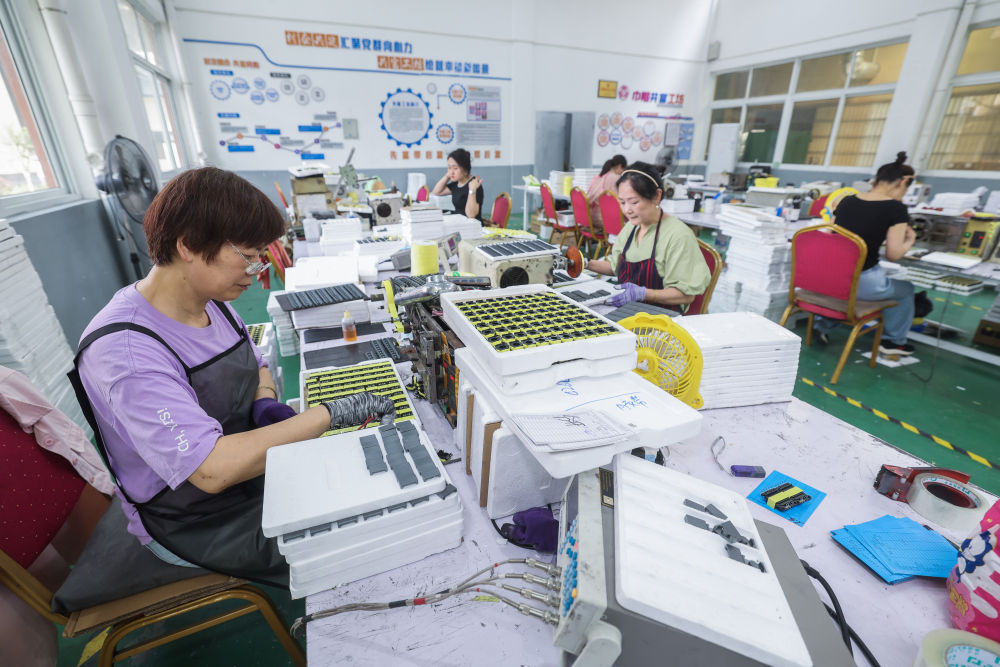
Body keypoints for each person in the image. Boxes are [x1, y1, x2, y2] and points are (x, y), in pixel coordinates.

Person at [70, 167, 394, 586]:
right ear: (188, 245)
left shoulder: (211, 302)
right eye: (248, 255)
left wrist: (264, 401)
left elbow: (257, 363)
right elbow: (210, 469)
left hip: (249, 476)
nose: (256, 270)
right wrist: (332, 413)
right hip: (197, 518)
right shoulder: (125, 352)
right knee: (366, 541)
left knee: (368, 490)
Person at [813, 151, 917, 355]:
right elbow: (894, 255)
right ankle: (893, 342)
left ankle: (822, 326)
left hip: (831, 278)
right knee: (906, 289)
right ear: (902, 182)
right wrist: (910, 240)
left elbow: (831, 236)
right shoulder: (896, 209)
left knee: (846, 285)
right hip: (862, 284)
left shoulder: (846, 201)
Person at [587, 161, 711, 311]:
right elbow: (615, 267)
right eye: (622, 202)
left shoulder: (678, 236)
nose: (627, 210)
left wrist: (643, 294)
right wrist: (584, 264)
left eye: (634, 202)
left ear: (657, 196)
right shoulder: (631, 228)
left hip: (661, 318)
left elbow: (686, 296)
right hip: (629, 311)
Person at [431, 148, 484, 220]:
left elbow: (471, 215)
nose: (452, 172)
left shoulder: (474, 184)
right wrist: (447, 176)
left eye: (455, 168)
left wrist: (472, 190)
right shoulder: (456, 183)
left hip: (471, 224)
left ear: (465, 169)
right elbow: (436, 192)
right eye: (449, 167)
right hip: (458, 221)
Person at [586, 154, 626, 228]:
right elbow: (620, 202)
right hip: (605, 221)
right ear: (620, 166)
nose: (622, 173)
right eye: (623, 170)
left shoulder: (598, 177)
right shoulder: (616, 178)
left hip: (592, 217)